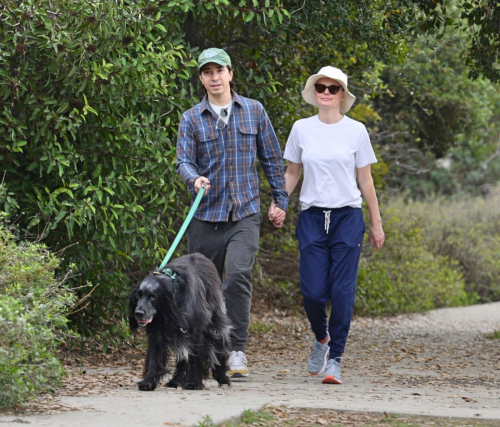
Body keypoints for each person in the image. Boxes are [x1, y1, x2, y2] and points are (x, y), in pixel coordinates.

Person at [176, 48, 289, 378]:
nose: (214, 77)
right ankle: (200, 352)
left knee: (237, 276)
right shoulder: (191, 118)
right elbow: (183, 160)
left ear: (230, 73)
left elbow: (271, 159)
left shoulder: (254, 111)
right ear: (200, 78)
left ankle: (236, 350)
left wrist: (279, 201)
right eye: (207, 72)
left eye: (219, 71)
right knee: (198, 287)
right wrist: (193, 178)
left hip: (245, 213)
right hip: (206, 216)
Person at [270, 66, 384, 384]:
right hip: (311, 217)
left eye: (333, 88)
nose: (326, 92)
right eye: (321, 86)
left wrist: (376, 224)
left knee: (342, 291)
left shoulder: (356, 131)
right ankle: (322, 338)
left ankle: (335, 359)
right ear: (315, 92)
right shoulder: (301, 129)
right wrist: (280, 202)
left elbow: (366, 180)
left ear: (343, 95)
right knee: (313, 292)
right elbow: (292, 172)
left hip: (347, 217)